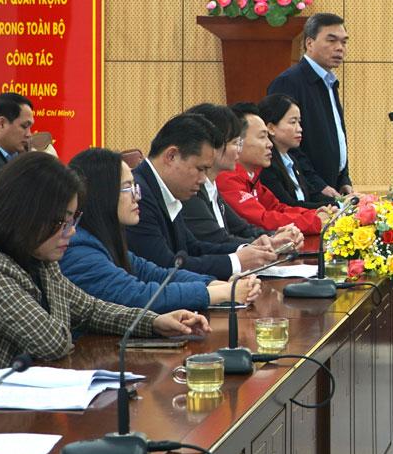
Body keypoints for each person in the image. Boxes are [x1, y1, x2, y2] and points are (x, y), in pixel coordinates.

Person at [0, 153, 209, 368]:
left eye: (72, 220)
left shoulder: (37, 260)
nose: (72, 231)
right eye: (61, 222)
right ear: (25, 217)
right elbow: (52, 343)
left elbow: (90, 310)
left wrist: (153, 322)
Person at [61, 148, 262, 312]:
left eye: (135, 187)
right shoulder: (78, 249)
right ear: (102, 194)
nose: (137, 196)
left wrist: (220, 285)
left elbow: (157, 274)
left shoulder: (104, 240)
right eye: (128, 187)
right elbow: (139, 296)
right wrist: (225, 292)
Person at [127, 114, 278, 281]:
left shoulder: (163, 187)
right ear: (171, 156)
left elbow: (193, 248)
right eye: (200, 169)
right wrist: (235, 262)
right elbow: (165, 267)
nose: (203, 179)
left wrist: (249, 249)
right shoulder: (137, 195)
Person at [181, 103, 302, 249]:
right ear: (210, 146)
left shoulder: (212, 186)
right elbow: (217, 241)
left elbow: (243, 229)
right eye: (235, 143)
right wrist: (269, 243)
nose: (239, 149)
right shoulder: (190, 191)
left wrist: (276, 237)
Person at [267, 12, 352, 195]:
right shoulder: (289, 82)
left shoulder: (329, 82)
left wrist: (344, 179)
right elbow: (284, 143)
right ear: (309, 43)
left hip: (334, 188)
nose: (340, 48)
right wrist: (318, 185)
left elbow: (337, 137)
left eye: (344, 42)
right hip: (306, 191)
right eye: (331, 40)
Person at [217, 104, 334, 235]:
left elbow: (276, 208)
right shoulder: (226, 179)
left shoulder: (252, 176)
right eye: (262, 137)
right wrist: (315, 221)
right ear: (237, 142)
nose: (270, 144)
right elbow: (262, 220)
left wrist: (314, 214)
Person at [258, 93, 332, 209]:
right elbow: (289, 205)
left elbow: (312, 195)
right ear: (271, 128)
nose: (300, 129)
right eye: (293, 122)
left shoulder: (292, 160)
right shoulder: (267, 165)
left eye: (299, 122)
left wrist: (341, 202)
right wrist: (335, 205)